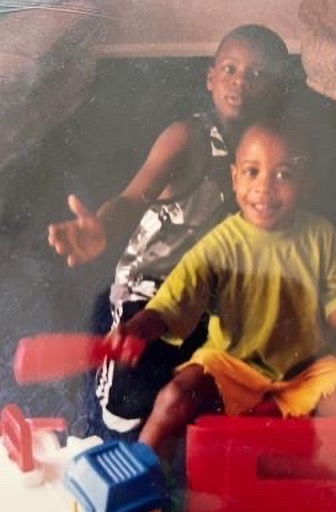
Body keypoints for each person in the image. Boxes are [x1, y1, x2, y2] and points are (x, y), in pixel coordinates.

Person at [103, 117, 336, 460]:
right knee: (172, 400)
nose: (264, 188)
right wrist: (138, 328)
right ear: (234, 177)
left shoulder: (320, 235)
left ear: (307, 184)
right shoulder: (220, 244)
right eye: (252, 172)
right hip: (232, 364)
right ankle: (143, 479)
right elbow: (173, 303)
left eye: (283, 175)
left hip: (309, 366)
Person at [47, 24, 291, 436]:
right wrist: (102, 228)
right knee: (124, 407)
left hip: (214, 296)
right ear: (210, 78)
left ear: (277, 88)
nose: (240, 82)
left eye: (256, 74)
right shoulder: (187, 138)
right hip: (152, 290)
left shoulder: (274, 151)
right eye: (230, 69)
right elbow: (131, 199)